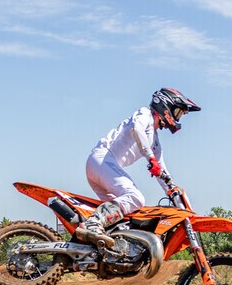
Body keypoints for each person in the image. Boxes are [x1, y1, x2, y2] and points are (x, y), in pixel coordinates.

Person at [74, 87, 201, 249]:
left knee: (123, 218)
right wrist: (150, 158)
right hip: (102, 160)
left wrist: (173, 191)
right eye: (177, 112)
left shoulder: (155, 142)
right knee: (136, 198)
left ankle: (98, 249)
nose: (177, 118)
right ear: (166, 106)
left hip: (103, 168)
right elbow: (137, 129)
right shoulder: (145, 115)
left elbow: (162, 172)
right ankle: (92, 224)